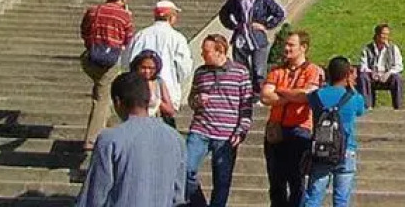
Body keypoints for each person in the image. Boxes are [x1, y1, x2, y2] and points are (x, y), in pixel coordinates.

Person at [76, 71, 185, 207]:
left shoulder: (110, 139)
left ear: (117, 102)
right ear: (149, 98)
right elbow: (178, 195)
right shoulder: (176, 139)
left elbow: (95, 195)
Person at [185, 34, 254, 207]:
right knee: (185, 169)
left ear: (220, 51)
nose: (202, 54)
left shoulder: (240, 72)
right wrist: (197, 100)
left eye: (206, 51)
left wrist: (241, 131)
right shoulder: (201, 72)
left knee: (222, 181)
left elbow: (246, 106)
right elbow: (191, 100)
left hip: (226, 134)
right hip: (200, 129)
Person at [259, 29, 324, 207]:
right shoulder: (276, 71)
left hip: (300, 129)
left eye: (291, 45)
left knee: (297, 180)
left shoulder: (313, 71)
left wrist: (280, 91)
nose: (286, 48)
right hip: (276, 129)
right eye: (286, 44)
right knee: (276, 180)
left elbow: (306, 96)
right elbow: (265, 97)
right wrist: (293, 96)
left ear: (303, 48)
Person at [302, 56, 368, 207]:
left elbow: (309, 98)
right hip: (346, 149)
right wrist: (352, 88)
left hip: (322, 149)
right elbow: (360, 110)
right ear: (347, 75)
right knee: (341, 200)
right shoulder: (353, 98)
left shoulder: (317, 96)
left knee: (313, 196)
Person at [80, 0, 134, 151]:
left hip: (90, 58)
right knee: (102, 99)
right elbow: (128, 39)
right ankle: (92, 139)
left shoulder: (93, 11)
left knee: (106, 93)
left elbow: (84, 31)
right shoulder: (124, 16)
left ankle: (109, 131)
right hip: (109, 62)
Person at [217, 0, 286, 92]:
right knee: (241, 67)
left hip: (258, 38)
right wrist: (234, 25)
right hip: (241, 36)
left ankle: (259, 93)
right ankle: (245, 92)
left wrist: (265, 25)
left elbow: (279, 14)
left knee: (258, 69)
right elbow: (224, 13)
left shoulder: (264, 0)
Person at [125, 0, 194, 120]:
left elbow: (128, 61)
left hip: (141, 88)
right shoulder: (177, 38)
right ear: (171, 17)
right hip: (168, 89)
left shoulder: (141, 35)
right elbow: (185, 67)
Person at [358, 23, 405, 109]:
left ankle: (399, 107)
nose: (385, 37)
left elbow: (399, 66)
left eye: (387, 34)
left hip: (387, 76)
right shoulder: (367, 49)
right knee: (363, 76)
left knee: (398, 78)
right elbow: (363, 66)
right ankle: (367, 106)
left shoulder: (393, 48)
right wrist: (372, 72)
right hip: (372, 76)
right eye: (383, 34)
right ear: (377, 35)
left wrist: (388, 73)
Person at [128, 50, 177, 123]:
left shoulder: (159, 82)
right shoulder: (131, 82)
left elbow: (170, 110)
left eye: (151, 68)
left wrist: (157, 102)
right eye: (143, 68)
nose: (147, 71)